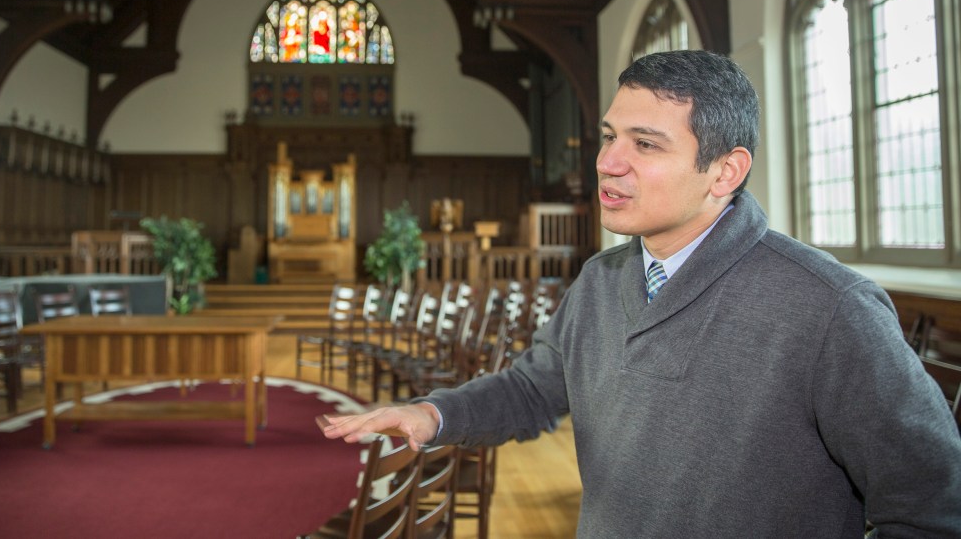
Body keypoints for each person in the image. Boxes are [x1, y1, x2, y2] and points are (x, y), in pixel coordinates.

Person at [322, 50, 961, 537]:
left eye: (645, 144)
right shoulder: (601, 282)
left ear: (725, 171)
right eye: (609, 136)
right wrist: (433, 415)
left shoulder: (829, 307)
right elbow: (532, 389)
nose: (607, 161)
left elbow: (932, 505)